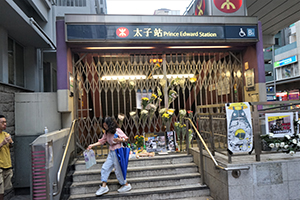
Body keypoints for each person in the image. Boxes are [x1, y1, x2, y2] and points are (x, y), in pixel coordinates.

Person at [87, 117, 132, 196]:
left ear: (110, 124)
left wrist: (119, 140)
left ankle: (126, 185)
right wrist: (92, 145)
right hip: (111, 152)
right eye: (104, 125)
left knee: (118, 170)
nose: (105, 127)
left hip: (118, 152)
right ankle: (104, 186)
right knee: (105, 167)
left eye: (106, 125)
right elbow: (102, 141)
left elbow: (126, 138)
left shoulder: (117, 130)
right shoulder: (107, 132)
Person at [0, 115, 13, 200]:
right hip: (0, 166)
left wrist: (10, 142)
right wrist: (2, 143)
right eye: (2, 122)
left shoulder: (6, 134)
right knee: (0, 191)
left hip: (7, 165)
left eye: (5, 122)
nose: (5, 124)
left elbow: (10, 147)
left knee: (4, 190)